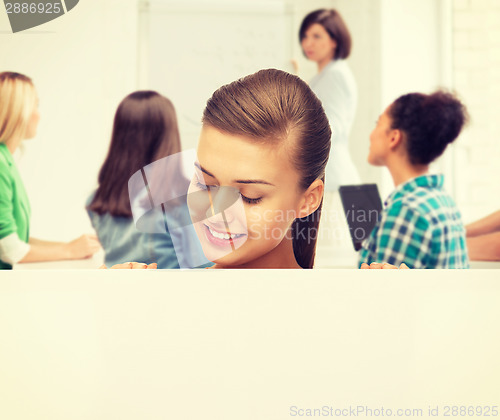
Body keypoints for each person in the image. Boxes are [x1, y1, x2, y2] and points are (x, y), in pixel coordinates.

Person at [107, 69, 331, 269]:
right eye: (205, 184)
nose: (214, 214)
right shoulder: (165, 298)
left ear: (308, 200)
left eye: (249, 197)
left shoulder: (342, 303)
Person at [359, 90, 470, 269]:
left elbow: (382, 292)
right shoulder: (443, 200)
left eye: (377, 123)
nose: (371, 134)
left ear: (394, 138)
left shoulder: (405, 211)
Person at [0, 71, 100, 269]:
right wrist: (70, 251)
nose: (39, 114)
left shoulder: (7, 160)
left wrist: (71, 247)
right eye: (35, 105)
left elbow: (16, 238)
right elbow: (10, 249)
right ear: (17, 111)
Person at [87, 91, 183, 269]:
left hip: (113, 291)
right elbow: (205, 272)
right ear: (168, 137)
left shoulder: (96, 201)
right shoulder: (181, 199)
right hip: (166, 294)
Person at [299, 8, 360, 191]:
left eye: (317, 36)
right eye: (305, 36)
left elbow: (330, 128)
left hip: (334, 177)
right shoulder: (326, 74)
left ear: (334, 40)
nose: (308, 43)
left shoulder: (335, 75)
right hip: (331, 176)